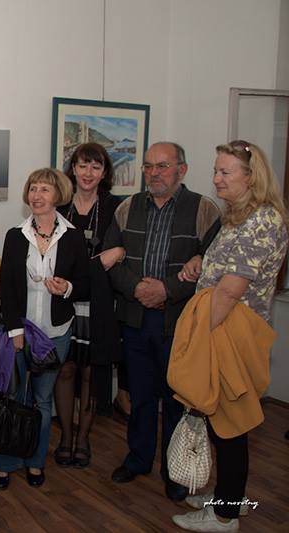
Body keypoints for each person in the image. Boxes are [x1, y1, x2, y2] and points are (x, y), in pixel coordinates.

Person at [171, 140, 288, 532]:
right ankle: (228, 496)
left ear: (251, 177)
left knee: (230, 427)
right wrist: (199, 262)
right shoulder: (238, 216)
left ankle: (225, 515)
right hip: (222, 328)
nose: (217, 179)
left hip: (230, 332)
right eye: (216, 171)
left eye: (225, 172)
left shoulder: (263, 220)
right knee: (221, 424)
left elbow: (229, 291)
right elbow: (222, 268)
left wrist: (196, 342)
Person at [104, 142, 220, 502]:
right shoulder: (127, 207)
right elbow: (110, 261)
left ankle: (174, 471)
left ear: (181, 170)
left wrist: (167, 290)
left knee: (175, 400)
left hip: (180, 324)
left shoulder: (203, 210)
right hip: (136, 319)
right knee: (139, 396)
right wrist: (137, 288)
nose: (154, 173)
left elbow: (213, 267)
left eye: (162, 166)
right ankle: (138, 460)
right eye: (148, 166)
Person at [0, 168, 89, 490]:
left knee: (43, 401)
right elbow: (6, 287)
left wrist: (67, 288)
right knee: (12, 397)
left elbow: (85, 283)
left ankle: (35, 461)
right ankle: (4, 464)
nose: (37, 195)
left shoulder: (73, 237)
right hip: (18, 331)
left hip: (56, 332)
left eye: (44, 189)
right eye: (33, 188)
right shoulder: (15, 236)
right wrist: (15, 331)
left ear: (58, 195)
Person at [53, 143, 124, 468]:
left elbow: (121, 250)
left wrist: (115, 254)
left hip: (99, 302)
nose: (88, 173)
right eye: (83, 165)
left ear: (104, 172)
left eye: (96, 167)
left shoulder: (116, 207)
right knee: (66, 369)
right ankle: (66, 436)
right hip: (63, 299)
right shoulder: (60, 204)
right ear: (73, 168)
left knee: (90, 373)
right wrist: (98, 261)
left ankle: (83, 439)